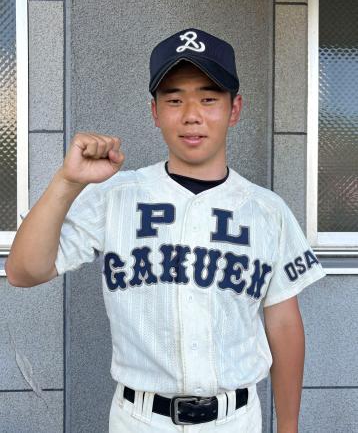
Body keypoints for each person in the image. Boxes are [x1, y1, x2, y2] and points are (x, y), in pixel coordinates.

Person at [6, 28, 326, 432]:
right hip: (139, 418)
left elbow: (283, 323)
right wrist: (68, 183)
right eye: (174, 99)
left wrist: (290, 426)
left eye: (209, 98)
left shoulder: (267, 210)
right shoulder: (116, 195)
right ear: (155, 112)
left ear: (235, 109)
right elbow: (23, 271)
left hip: (236, 418)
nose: (191, 114)